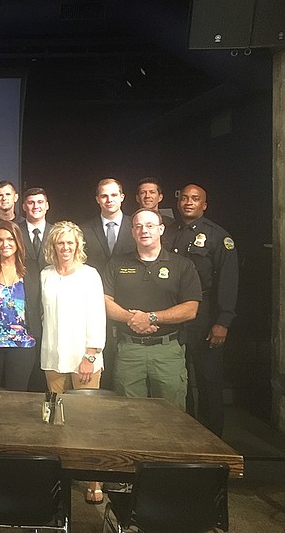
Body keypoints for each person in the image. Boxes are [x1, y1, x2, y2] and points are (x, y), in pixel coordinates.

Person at [103, 209, 201, 410]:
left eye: (150, 226)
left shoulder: (182, 265)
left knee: (172, 417)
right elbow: (104, 301)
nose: (144, 230)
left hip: (167, 351)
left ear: (161, 229)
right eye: (138, 226)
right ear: (132, 232)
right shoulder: (117, 263)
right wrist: (132, 318)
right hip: (129, 351)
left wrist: (151, 318)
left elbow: (191, 308)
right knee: (128, 417)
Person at [39, 221, 105, 504]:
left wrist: (90, 356)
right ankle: (57, 479)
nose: (65, 248)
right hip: (52, 357)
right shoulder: (45, 275)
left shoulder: (90, 275)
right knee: (55, 420)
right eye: (60, 243)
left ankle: (94, 481)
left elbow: (97, 316)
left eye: (70, 243)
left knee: (87, 422)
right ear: (52, 247)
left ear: (78, 246)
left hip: (84, 359)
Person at [171, 184, 238, 436]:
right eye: (185, 198)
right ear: (179, 203)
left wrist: (223, 321)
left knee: (209, 380)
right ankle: (186, 434)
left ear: (204, 205)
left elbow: (228, 282)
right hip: (176, 312)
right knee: (181, 378)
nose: (189, 202)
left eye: (195, 199)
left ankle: (213, 440)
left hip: (206, 315)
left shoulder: (218, 237)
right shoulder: (168, 232)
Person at [0, 220, 41, 391]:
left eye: (10, 239)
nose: (5, 244)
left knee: (17, 398)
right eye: (0, 240)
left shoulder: (32, 268)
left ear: (18, 240)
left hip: (23, 345)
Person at [82, 178, 135, 390]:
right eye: (104, 196)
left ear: (122, 197)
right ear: (97, 199)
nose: (109, 199)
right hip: (93, 303)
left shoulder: (137, 226)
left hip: (128, 303)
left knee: (124, 367)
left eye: (114, 195)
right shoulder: (84, 229)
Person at [135, 177, 174, 249]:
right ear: (137, 198)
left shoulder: (171, 224)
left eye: (152, 192)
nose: (147, 196)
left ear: (160, 197)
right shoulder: (128, 224)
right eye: (143, 192)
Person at [19, 187, 51, 276]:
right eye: (31, 203)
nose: (36, 206)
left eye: (40, 202)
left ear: (47, 205)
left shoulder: (56, 232)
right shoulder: (15, 232)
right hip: (23, 284)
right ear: (24, 207)